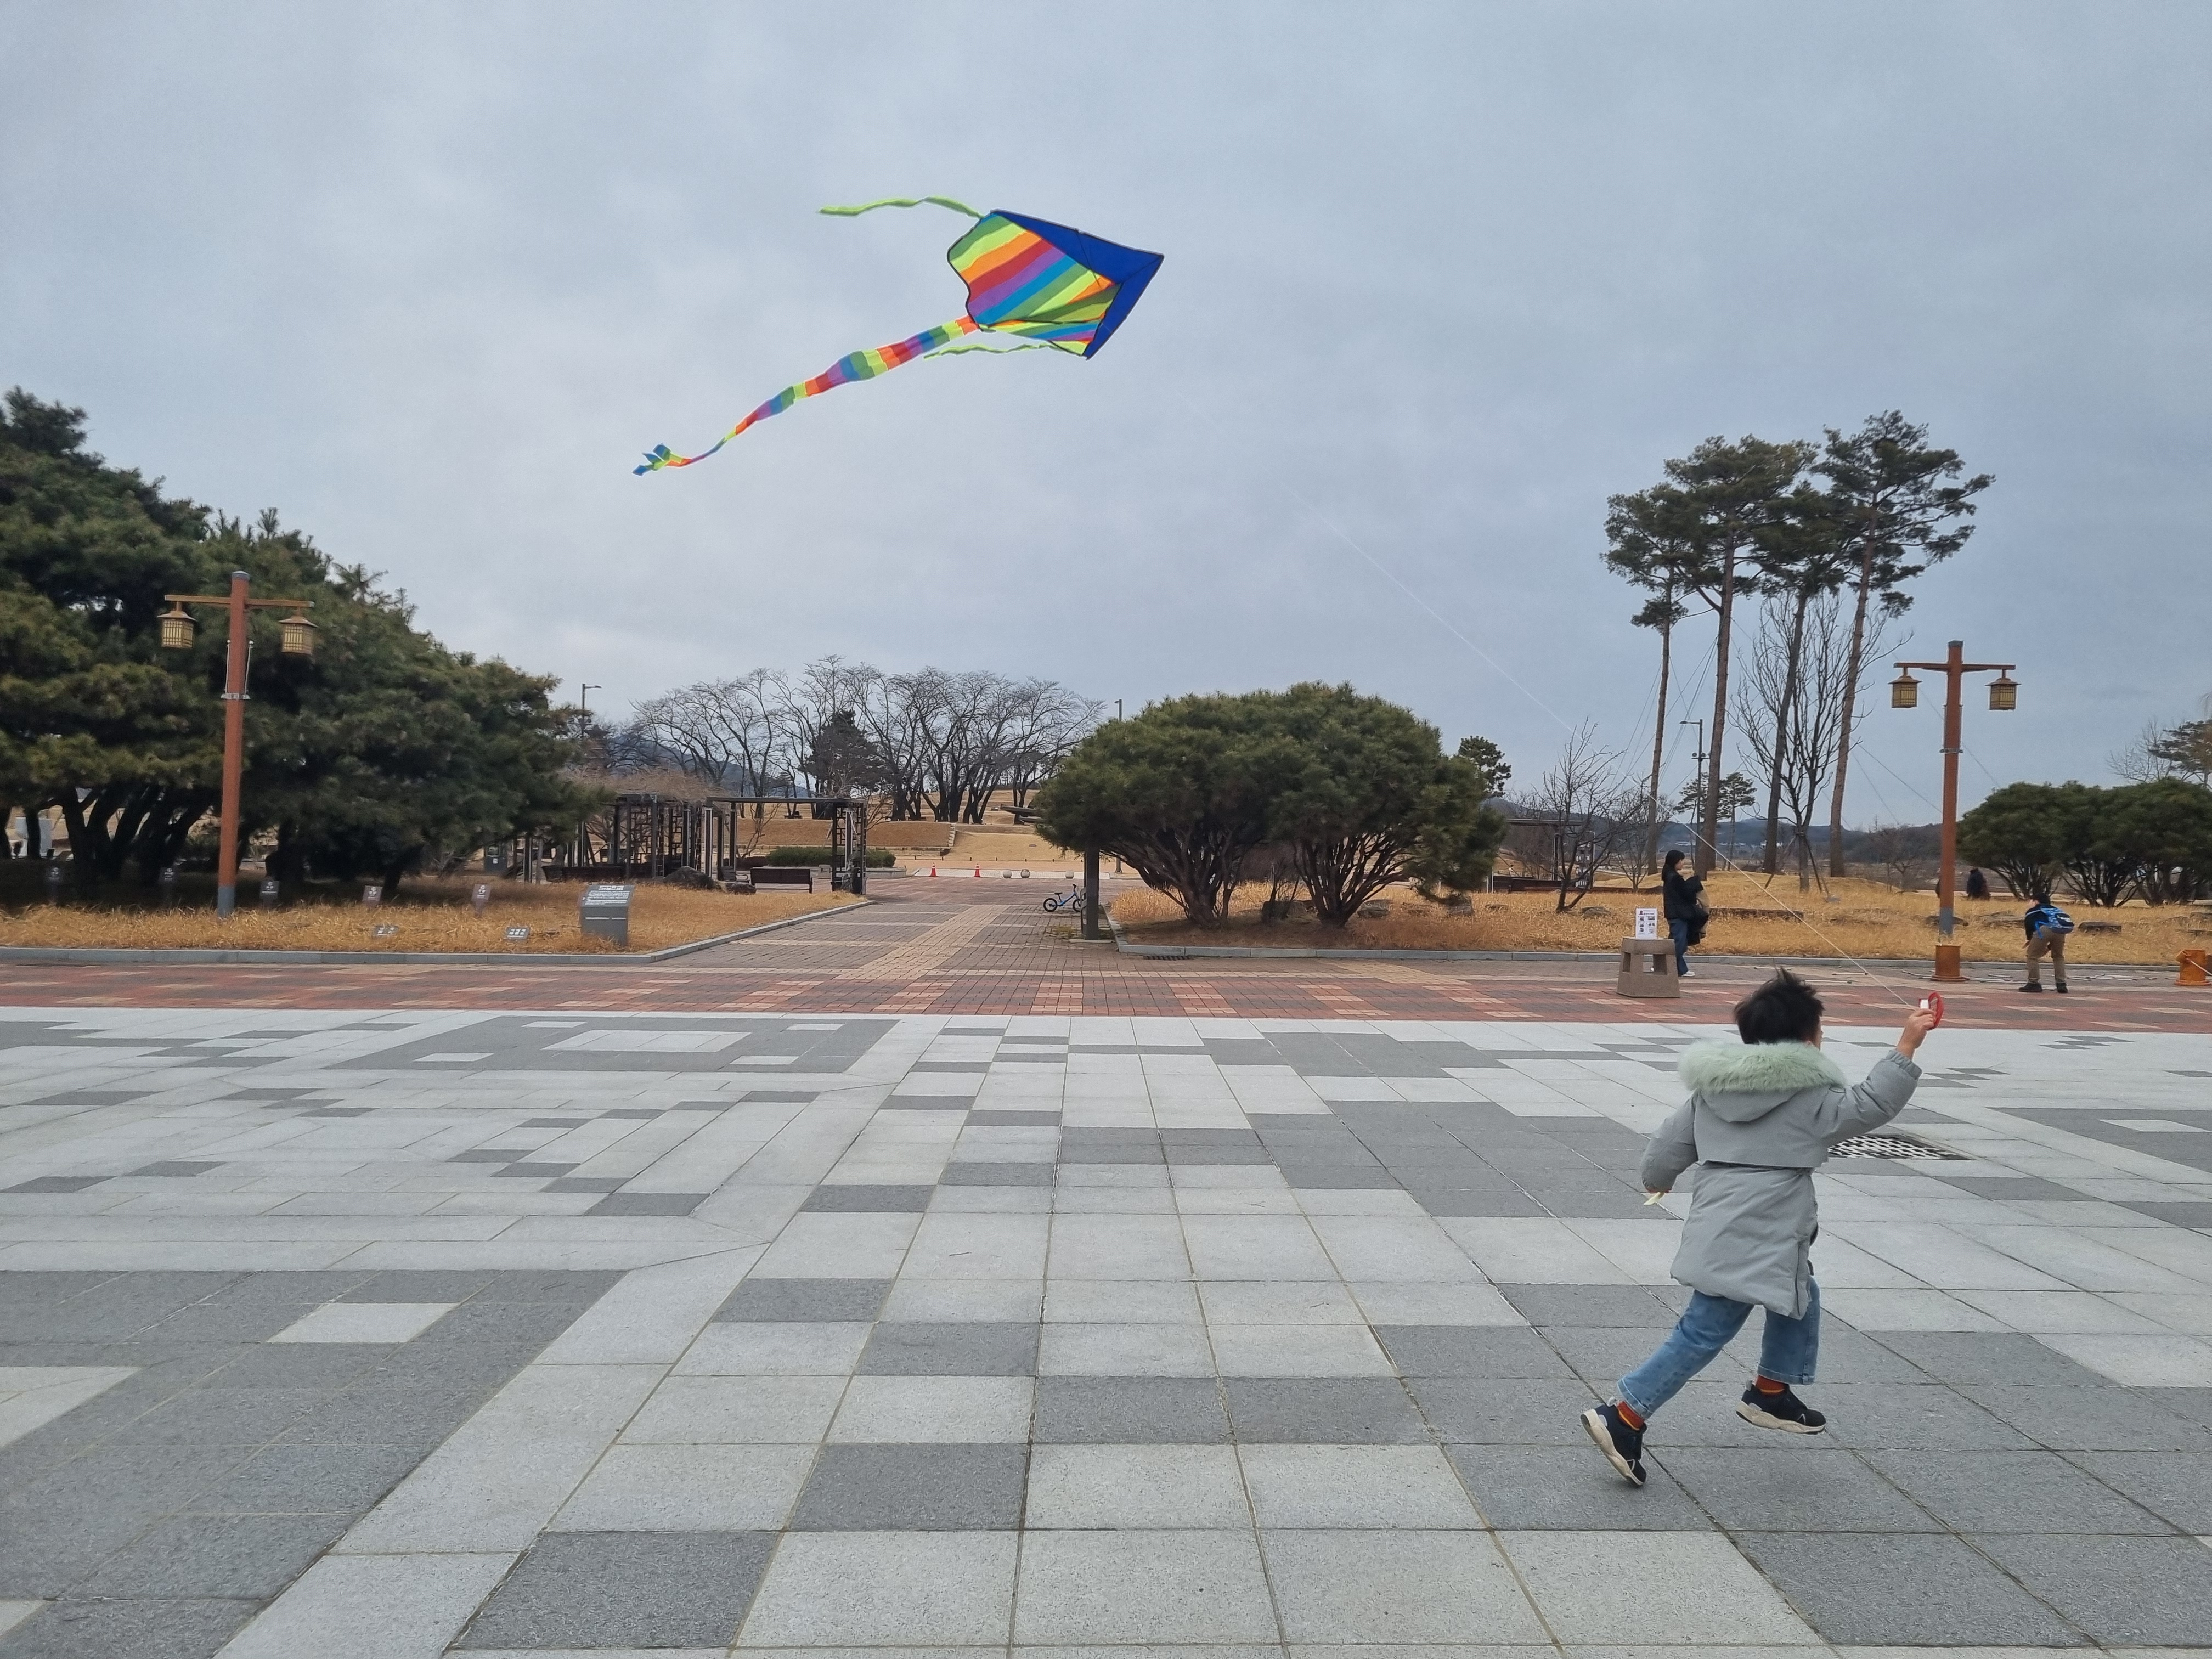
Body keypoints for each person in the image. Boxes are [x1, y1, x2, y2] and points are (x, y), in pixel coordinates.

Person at [1581, 970, 1935, 1486]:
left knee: (1799, 1288)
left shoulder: (1712, 1092)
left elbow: (1666, 1148)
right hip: (1766, 1224)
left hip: (1724, 1220)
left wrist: (1658, 1182)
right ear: (1810, 1039)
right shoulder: (1810, 1097)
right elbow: (1871, 1104)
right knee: (1706, 1327)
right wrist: (1907, 1043)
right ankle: (1625, 1415)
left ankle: (1771, 1391)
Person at [1661, 849, 1705, 979]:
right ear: (1676, 862)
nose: (1683, 864)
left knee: (1675, 942)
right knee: (1679, 944)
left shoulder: (1669, 876)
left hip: (1673, 913)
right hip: (1678, 914)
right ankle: (1665, 965)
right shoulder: (1675, 878)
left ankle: (1681, 969)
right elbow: (1687, 895)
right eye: (1681, 861)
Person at [2022, 889, 2073, 994]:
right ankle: (2061, 984)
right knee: (2058, 957)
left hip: (2043, 930)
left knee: (2032, 956)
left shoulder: (2033, 911)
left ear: (2036, 901)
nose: (2029, 903)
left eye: (2031, 901)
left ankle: (2033, 983)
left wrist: (2030, 940)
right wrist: (2049, 947)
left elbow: (2029, 926)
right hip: (2060, 931)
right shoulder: (2055, 910)